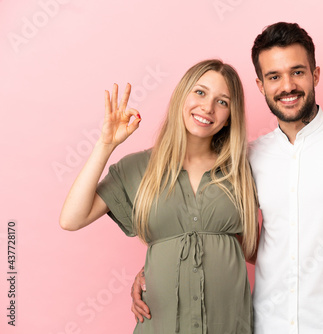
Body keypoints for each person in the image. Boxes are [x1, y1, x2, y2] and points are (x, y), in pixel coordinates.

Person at [131, 22, 323, 333]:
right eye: (274, 77)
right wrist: (158, 270)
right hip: (267, 326)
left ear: (315, 74)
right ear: (260, 85)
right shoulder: (247, 158)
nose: (287, 86)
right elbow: (225, 233)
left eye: (297, 72)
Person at [59, 59, 258, 334]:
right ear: (181, 96)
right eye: (200, 92)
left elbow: (257, 251)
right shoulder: (137, 168)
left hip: (230, 325)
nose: (208, 108)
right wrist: (105, 145)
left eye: (222, 101)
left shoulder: (244, 169)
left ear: (230, 116)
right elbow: (71, 219)